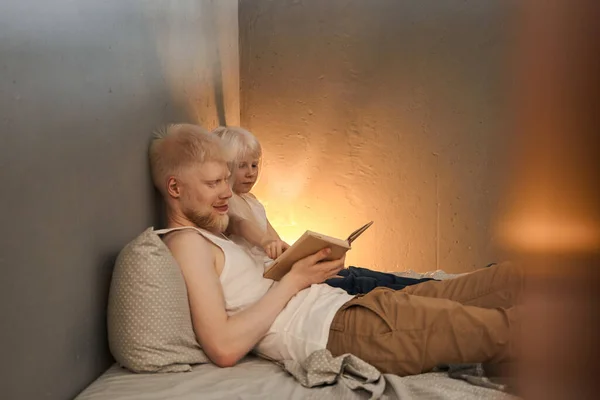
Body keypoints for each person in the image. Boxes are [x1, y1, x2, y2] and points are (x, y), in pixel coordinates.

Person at [149, 123, 522, 376]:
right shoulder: (187, 244)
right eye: (215, 183)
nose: (228, 192)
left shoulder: (216, 225)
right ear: (176, 188)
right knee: (506, 329)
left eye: (225, 180)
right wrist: (294, 280)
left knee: (507, 280)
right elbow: (224, 347)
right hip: (340, 331)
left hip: (352, 307)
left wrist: (284, 252)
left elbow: (243, 221)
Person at [211, 125, 435, 295]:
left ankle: (436, 288)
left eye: (254, 165)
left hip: (284, 269)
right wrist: (266, 243)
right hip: (274, 279)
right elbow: (240, 225)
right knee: (358, 283)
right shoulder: (226, 202)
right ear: (225, 166)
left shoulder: (252, 201)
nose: (251, 173)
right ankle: (429, 294)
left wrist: (309, 254)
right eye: (242, 166)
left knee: (354, 272)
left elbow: (276, 239)